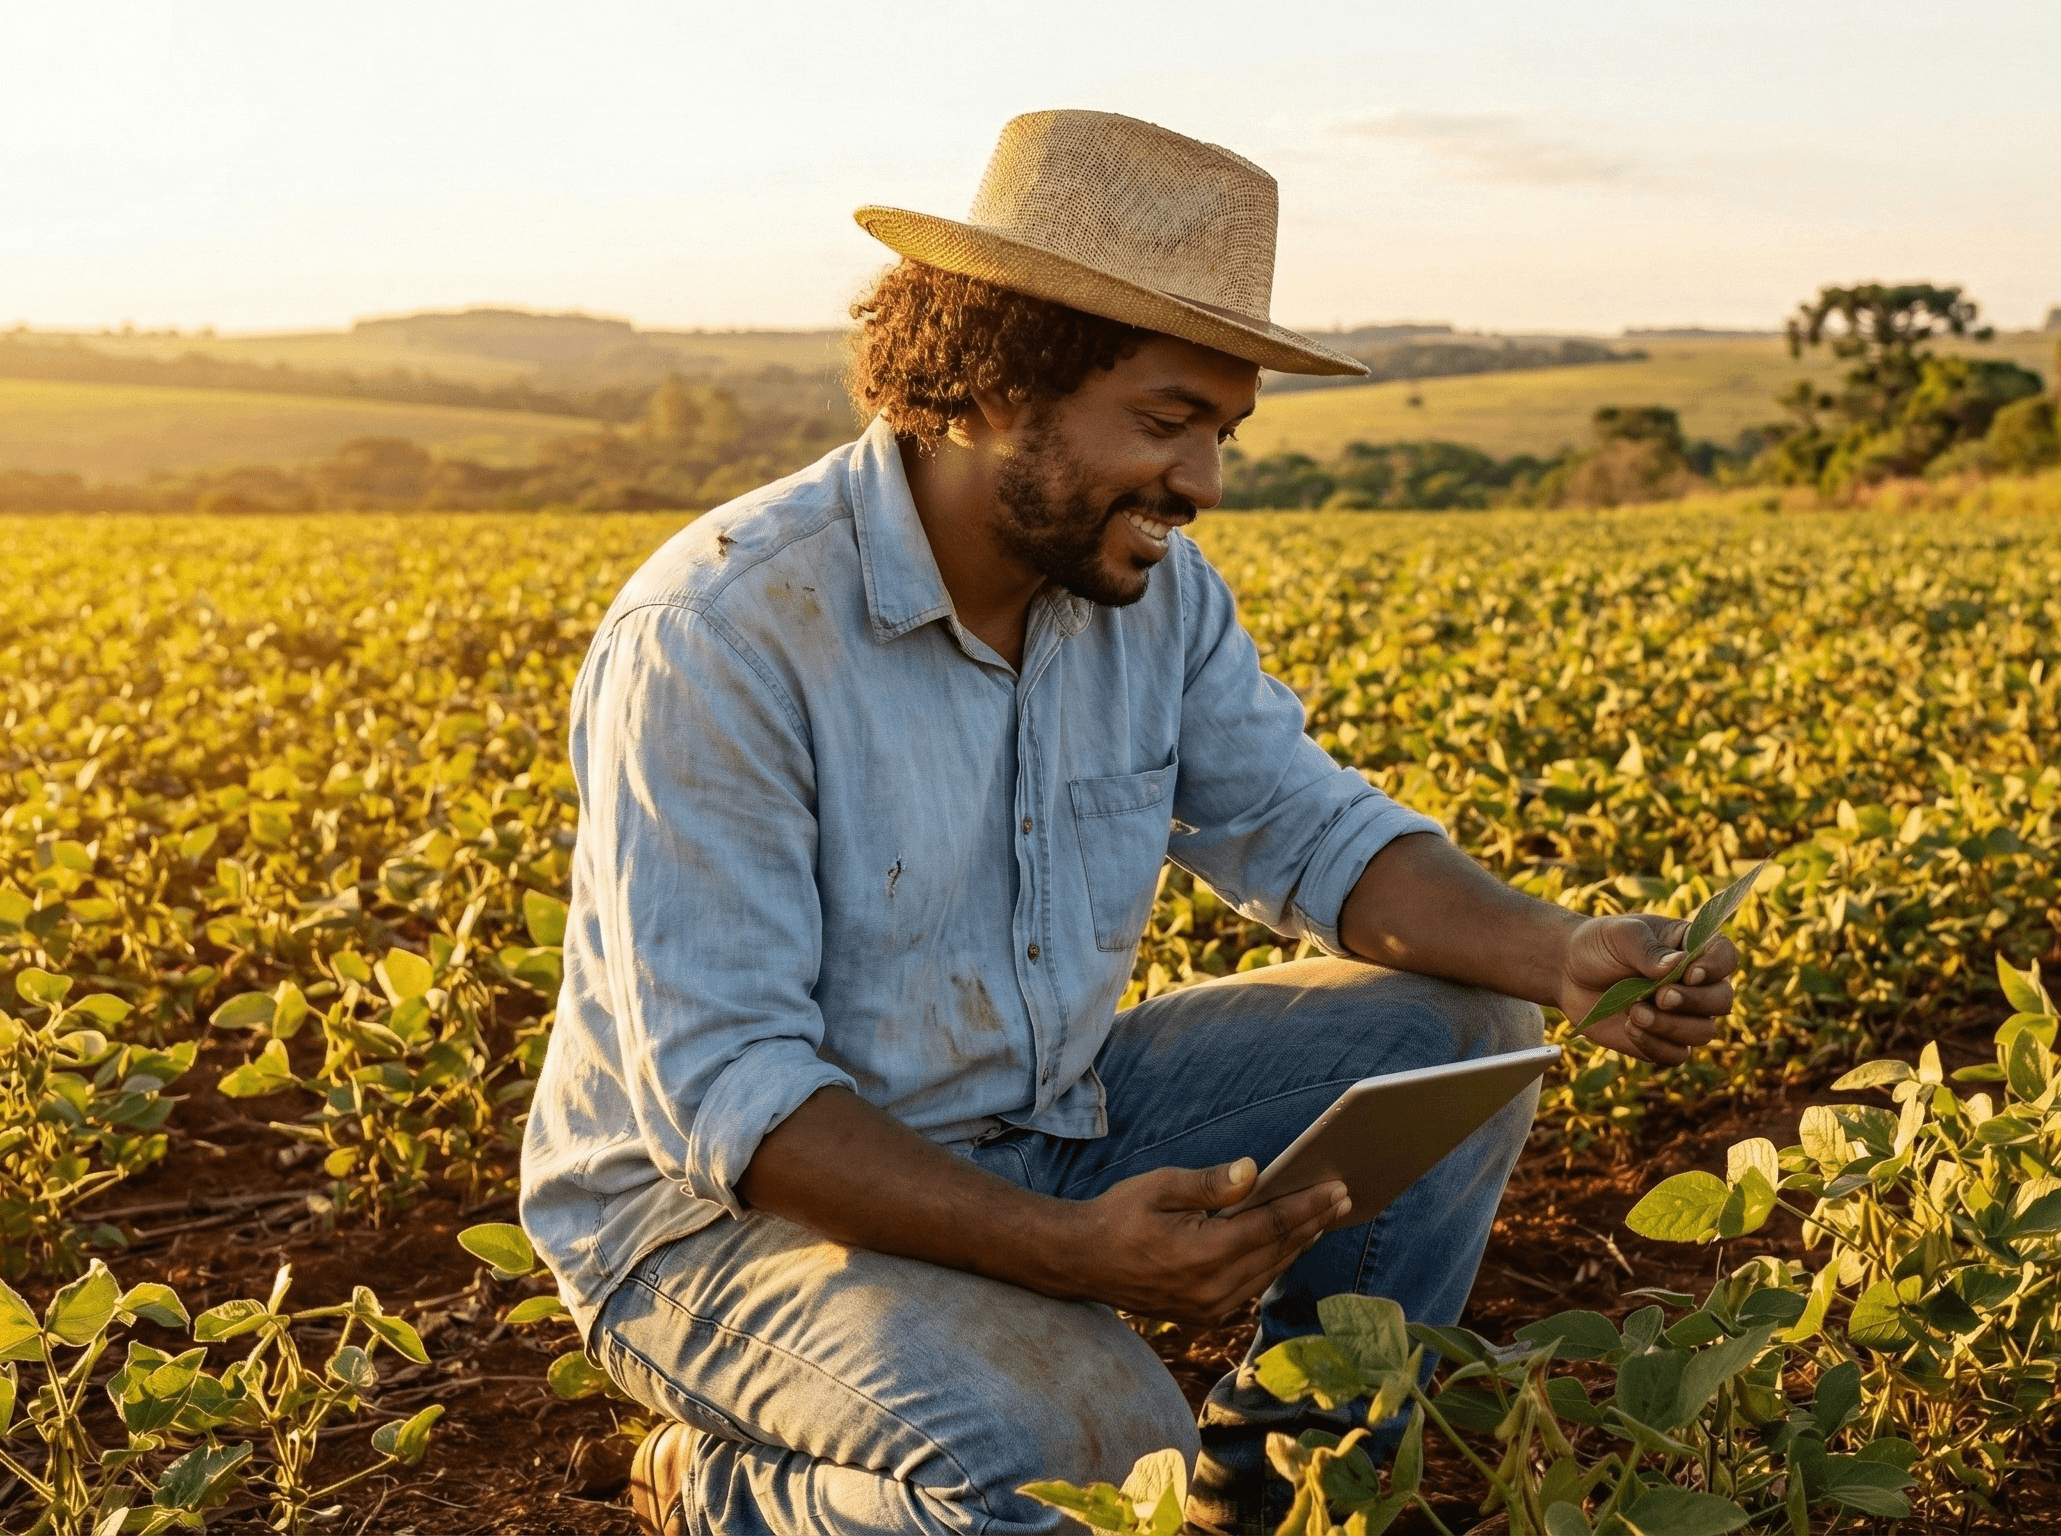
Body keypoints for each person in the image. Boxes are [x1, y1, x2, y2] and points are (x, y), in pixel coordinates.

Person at [517, 109, 1739, 1536]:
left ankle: (1289, 1491)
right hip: (718, 1227)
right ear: (985, 385)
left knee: (1462, 1034)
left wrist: (1559, 949)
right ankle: (724, 1486)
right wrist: (1061, 1251)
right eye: (1166, 424)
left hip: (1039, 1122)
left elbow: (1306, 833)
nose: (1206, 484)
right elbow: (734, 1095)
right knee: (1096, 1456)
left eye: (1221, 432)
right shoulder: (725, 629)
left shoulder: (1148, 598)